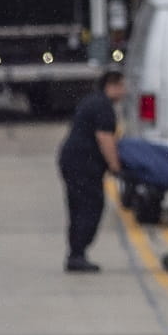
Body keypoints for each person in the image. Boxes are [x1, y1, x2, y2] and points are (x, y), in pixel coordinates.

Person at [56, 68, 126, 273]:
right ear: (111, 86)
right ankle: (77, 254)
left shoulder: (93, 101)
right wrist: (115, 167)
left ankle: (76, 253)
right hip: (82, 164)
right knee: (90, 206)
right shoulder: (103, 107)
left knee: (78, 207)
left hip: (74, 162)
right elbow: (104, 139)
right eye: (122, 86)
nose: (125, 91)